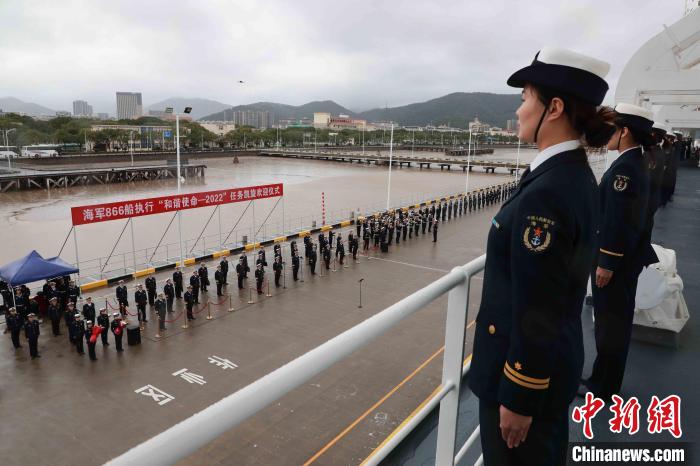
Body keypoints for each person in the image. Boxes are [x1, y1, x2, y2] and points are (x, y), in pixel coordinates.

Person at [468, 46, 615, 466]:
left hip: (522, 383)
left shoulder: (549, 193)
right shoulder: (571, 175)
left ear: (553, 107)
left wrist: (519, 396)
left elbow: (540, 306)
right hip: (550, 371)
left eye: (524, 98)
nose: (518, 111)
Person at [583, 103, 658, 402]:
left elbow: (617, 221)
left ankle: (603, 388)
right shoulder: (636, 162)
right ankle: (601, 379)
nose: (609, 135)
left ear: (625, 131)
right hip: (627, 259)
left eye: (613, 129)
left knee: (610, 324)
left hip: (616, 261)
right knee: (613, 322)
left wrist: (607, 262)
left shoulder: (624, 168)